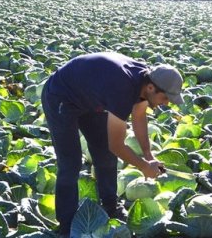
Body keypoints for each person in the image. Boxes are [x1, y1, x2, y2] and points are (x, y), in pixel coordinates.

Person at [40, 52, 184, 237]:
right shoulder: (122, 90)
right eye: (165, 98)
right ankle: (66, 225)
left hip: (91, 98)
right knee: (71, 163)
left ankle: (110, 206)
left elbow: (139, 116)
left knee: (104, 155)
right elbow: (116, 145)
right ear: (150, 88)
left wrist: (148, 155)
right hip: (61, 96)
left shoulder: (143, 84)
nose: (166, 104)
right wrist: (143, 166)